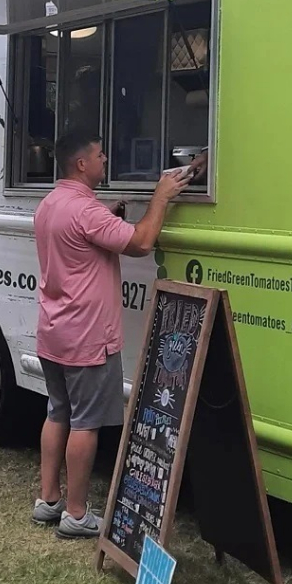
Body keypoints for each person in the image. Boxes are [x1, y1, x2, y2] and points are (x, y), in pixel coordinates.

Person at [31, 131, 192, 539]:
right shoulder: (86, 211)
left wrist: (110, 213)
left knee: (57, 412)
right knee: (85, 423)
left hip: (53, 332)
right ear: (81, 164)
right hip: (88, 336)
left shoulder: (50, 204)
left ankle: (48, 499)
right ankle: (76, 513)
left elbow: (83, 236)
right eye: (100, 155)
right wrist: (160, 197)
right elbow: (140, 243)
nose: (106, 160)